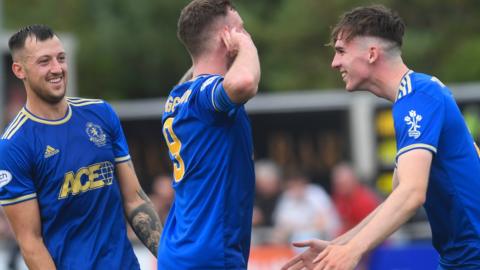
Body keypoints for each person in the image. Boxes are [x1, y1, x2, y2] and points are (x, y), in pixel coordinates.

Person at [283, 5, 480, 270]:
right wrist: (339, 246)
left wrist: (353, 251)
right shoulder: (414, 97)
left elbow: (411, 194)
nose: (335, 62)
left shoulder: (418, 97)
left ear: (372, 53)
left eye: (341, 51)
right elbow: (400, 196)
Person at [0, 24, 162, 269]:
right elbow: (31, 244)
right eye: (44, 61)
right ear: (19, 70)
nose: (57, 69)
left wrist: (169, 257)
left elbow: (134, 200)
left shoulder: (101, 113)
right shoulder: (14, 145)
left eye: (61, 58)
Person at [157, 0, 261, 269]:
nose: (245, 36)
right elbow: (245, 82)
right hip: (211, 253)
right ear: (226, 37)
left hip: (178, 252)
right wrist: (247, 45)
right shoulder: (207, 97)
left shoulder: (177, 96)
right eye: (240, 30)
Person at [331, 162, 379, 235]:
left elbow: (369, 231)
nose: (340, 187)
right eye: (338, 184)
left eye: (344, 183)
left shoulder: (364, 200)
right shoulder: (339, 197)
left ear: (353, 180)